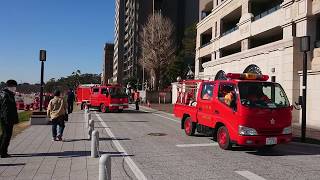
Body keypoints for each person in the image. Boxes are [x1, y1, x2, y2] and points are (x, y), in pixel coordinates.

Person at [0, 80, 19, 158]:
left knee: (4, 134)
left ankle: (1, 150)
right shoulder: (6, 95)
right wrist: (7, 118)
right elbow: (6, 108)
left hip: (5, 117)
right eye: (14, 87)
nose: (15, 88)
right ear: (10, 86)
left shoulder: (7, 94)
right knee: (7, 135)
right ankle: (3, 152)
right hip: (7, 118)